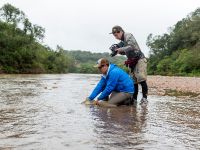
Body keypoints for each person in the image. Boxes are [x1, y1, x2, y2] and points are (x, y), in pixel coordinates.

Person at [110, 25, 148, 105]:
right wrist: (118, 51)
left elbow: (131, 46)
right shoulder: (122, 41)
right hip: (132, 61)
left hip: (139, 59)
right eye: (114, 36)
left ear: (120, 31)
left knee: (141, 79)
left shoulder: (128, 35)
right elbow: (125, 51)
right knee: (134, 82)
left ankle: (144, 99)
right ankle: (134, 100)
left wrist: (120, 49)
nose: (116, 37)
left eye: (116, 35)